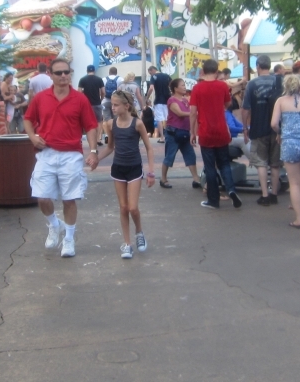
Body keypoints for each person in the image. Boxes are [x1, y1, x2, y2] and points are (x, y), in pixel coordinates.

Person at [24, 58, 100, 258]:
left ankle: (68, 239)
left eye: (67, 72)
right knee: (42, 197)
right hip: (46, 153)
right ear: (50, 74)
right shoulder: (41, 98)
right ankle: (54, 224)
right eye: (59, 73)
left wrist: (93, 151)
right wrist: (33, 137)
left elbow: (91, 125)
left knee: (69, 199)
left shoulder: (80, 99)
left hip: (71, 155)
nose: (63, 76)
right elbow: (28, 119)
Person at [97, 89, 156, 259]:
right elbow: (110, 147)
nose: (113, 108)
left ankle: (139, 232)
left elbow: (149, 148)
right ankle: (127, 244)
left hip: (134, 168)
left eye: (116, 105)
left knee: (133, 208)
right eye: (112, 105)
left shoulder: (137, 123)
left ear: (126, 106)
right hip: (118, 168)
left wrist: (151, 172)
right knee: (123, 207)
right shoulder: (110, 124)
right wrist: (96, 159)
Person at [190, 58, 242, 209]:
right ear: (217, 70)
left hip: (205, 130)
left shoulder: (197, 88)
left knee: (210, 166)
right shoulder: (222, 86)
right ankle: (231, 189)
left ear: (203, 70)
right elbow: (228, 104)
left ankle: (213, 200)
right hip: (221, 130)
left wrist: (192, 132)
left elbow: (193, 112)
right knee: (224, 163)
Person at [270, 74, 300, 228]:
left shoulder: (281, 102)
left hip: (290, 142)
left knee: (295, 183)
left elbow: (273, 123)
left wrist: (281, 133)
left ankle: (299, 218)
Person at [240, 54, 282, 206]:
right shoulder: (280, 82)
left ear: (258, 66)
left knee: (261, 163)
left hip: (258, 127)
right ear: (270, 66)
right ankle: (274, 193)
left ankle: (264, 194)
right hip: (277, 128)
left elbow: (245, 109)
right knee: (275, 163)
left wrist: (245, 128)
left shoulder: (252, 84)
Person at [160, 78, 200, 189]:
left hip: (185, 133)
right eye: (182, 85)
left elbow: (190, 115)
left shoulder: (185, 100)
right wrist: (193, 113)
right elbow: (180, 113)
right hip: (173, 133)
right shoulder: (171, 100)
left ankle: (196, 179)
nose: (184, 87)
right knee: (169, 156)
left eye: (184, 85)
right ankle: (163, 179)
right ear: (175, 88)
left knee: (190, 156)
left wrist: (193, 131)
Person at [147, 65, 171, 143]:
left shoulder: (154, 77)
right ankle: (169, 136)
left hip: (158, 101)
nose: (150, 74)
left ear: (152, 70)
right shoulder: (167, 76)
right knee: (168, 118)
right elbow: (172, 85)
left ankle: (162, 137)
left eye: (150, 73)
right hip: (168, 100)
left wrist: (147, 98)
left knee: (159, 119)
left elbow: (151, 88)